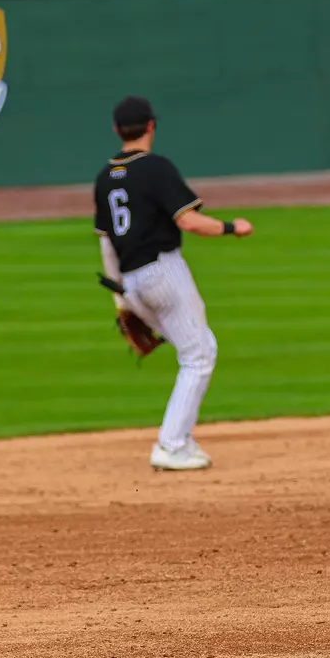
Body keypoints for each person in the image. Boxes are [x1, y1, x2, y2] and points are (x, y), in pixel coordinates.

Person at [93, 96, 252, 471]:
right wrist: (232, 227)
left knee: (200, 348)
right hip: (163, 273)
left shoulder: (104, 177)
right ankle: (172, 444)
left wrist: (121, 299)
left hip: (130, 282)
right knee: (197, 356)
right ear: (151, 126)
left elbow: (106, 242)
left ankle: (179, 438)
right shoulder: (156, 168)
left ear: (117, 130)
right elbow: (190, 221)